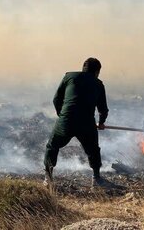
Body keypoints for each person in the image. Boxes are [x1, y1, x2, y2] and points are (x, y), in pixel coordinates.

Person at [43, 57, 116, 188]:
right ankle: (96, 179)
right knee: (93, 150)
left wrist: (63, 115)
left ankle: (48, 178)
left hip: (66, 121)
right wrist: (101, 122)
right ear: (97, 71)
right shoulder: (98, 84)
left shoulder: (69, 77)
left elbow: (56, 99)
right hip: (86, 123)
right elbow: (103, 109)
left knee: (52, 146)